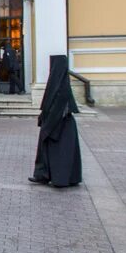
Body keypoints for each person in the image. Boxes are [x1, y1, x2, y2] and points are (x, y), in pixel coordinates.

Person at [29, 55, 83, 188]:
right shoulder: (58, 83)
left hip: (60, 125)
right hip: (58, 124)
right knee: (52, 151)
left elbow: (60, 108)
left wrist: (47, 127)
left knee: (60, 153)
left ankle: (59, 178)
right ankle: (44, 175)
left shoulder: (61, 86)